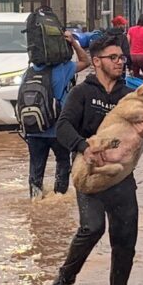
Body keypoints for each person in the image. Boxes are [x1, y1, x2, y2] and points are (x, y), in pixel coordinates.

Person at [44, 37, 143, 285]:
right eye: (114, 57)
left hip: (120, 176)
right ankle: (61, 283)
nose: (121, 62)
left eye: (122, 57)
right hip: (90, 173)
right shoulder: (82, 93)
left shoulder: (129, 96)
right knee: (92, 228)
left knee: (125, 239)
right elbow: (63, 127)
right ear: (96, 62)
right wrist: (83, 147)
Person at [24, 31, 90, 199]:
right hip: (58, 129)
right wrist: (75, 43)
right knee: (62, 163)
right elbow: (85, 61)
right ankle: (59, 197)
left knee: (36, 168)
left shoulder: (29, 71)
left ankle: (35, 200)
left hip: (33, 129)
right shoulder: (64, 69)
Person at [126, 15, 143, 80]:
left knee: (135, 75)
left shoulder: (130, 30)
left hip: (133, 56)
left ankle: (136, 87)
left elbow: (127, 42)